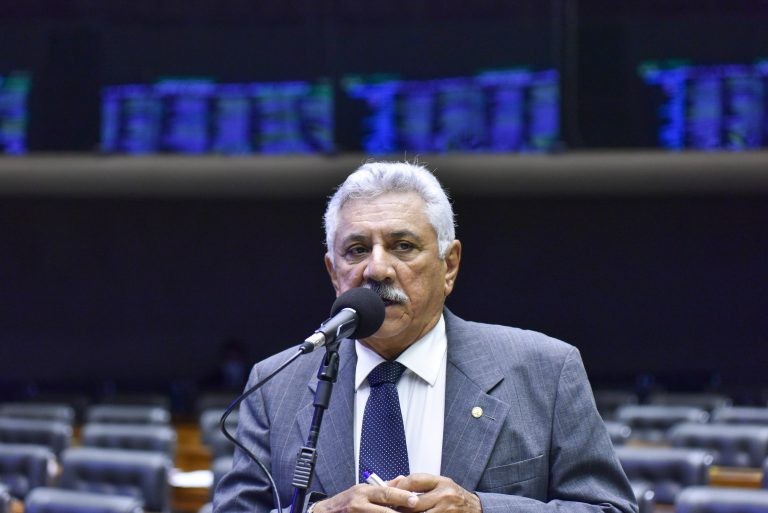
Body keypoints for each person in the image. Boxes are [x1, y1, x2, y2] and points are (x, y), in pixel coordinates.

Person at [213, 161, 637, 513]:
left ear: (449, 265)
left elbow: (610, 509)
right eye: (357, 250)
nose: (376, 269)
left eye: (402, 246)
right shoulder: (276, 386)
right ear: (333, 272)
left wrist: (481, 510)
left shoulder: (545, 369)